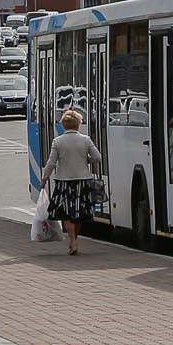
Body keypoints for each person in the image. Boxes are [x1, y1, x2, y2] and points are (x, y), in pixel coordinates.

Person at [38, 108, 104, 256]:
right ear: (78, 124)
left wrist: (44, 179)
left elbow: (51, 163)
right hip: (83, 181)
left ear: (64, 125)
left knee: (66, 213)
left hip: (63, 181)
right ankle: (75, 239)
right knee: (79, 212)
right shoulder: (86, 140)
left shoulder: (58, 141)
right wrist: (86, 160)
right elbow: (98, 158)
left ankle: (72, 239)